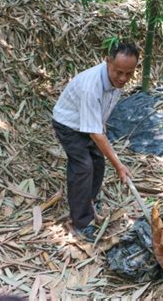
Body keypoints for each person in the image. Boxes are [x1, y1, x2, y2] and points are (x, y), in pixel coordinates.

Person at [52, 41, 139, 242]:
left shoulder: (116, 80)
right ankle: (81, 221)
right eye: (118, 72)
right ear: (107, 62)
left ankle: (88, 201)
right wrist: (119, 166)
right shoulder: (91, 86)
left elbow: (100, 119)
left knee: (98, 162)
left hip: (89, 124)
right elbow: (96, 133)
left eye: (129, 74)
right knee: (83, 166)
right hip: (68, 124)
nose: (123, 78)